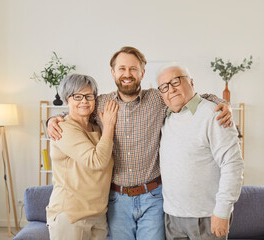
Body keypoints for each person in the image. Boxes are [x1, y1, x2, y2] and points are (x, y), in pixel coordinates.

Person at [47, 46, 233, 240]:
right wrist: (52, 120)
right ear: (113, 73)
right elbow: (77, 111)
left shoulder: (157, 99)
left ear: (142, 72)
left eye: (133, 69)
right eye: (121, 69)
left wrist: (223, 103)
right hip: (116, 200)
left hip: (153, 196)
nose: (127, 74)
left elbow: (190, 97)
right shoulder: (101, 104)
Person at [157, 63, 244, 240]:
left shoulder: (214, 115)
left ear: (191, 82)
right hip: (172, 218)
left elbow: (233, 165)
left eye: (175, 82)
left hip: (207, 217)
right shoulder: (165, 118)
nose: (171, 90)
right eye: (164, 87)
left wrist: (222, 211)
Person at [46, 74, 118, 240]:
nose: (84, 101)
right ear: (67, 99)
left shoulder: (96, 127)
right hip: (70, 215)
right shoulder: (64, 128)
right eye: (77, 96)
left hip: (97, 214)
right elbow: (97, 161)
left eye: (88, 96)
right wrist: (109, 125)